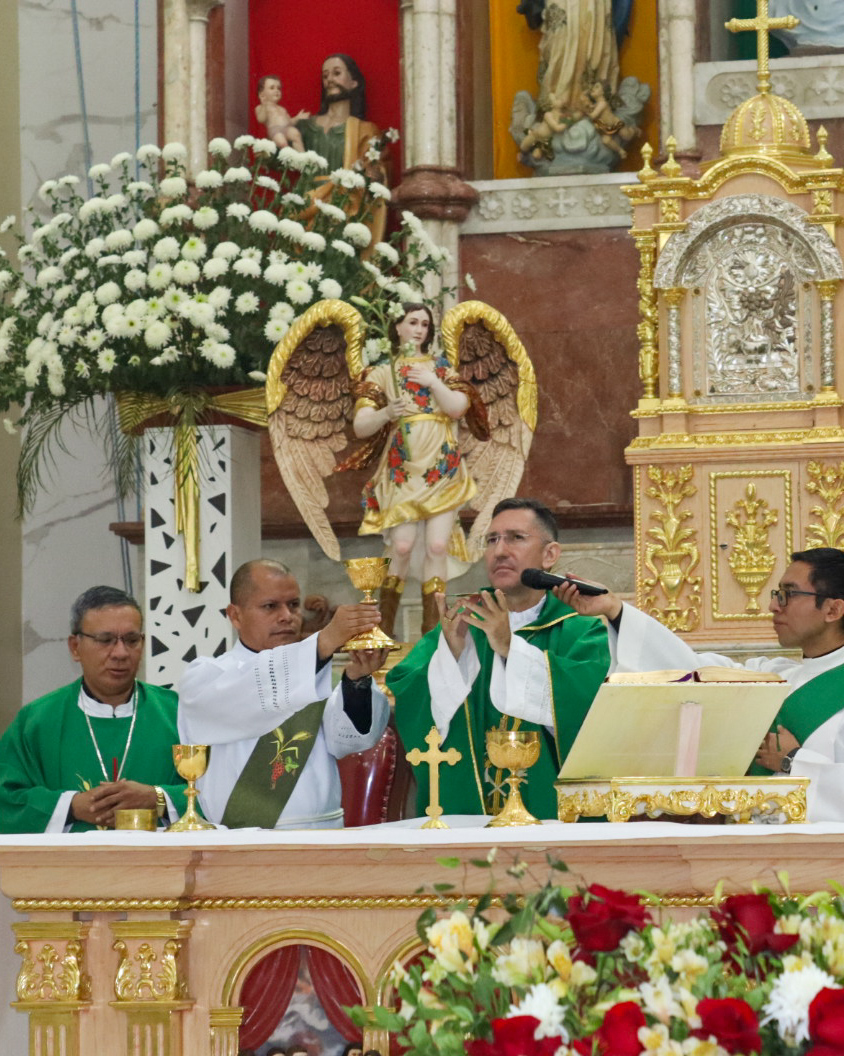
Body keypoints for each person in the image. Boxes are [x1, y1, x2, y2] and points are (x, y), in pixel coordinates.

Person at [556, 547, 844, 824]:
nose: (773, 605)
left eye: (788, 594)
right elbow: (691, 672)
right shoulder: (773, 676)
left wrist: (794, 761)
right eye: (777, 593)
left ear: (833, 609)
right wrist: (616, 610)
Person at [387, 498, 612, 819]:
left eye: (516, 538)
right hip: (469, 820)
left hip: (554, 822)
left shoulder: (580, 630)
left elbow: (595, 713)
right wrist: (451, 658)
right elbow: (408, 690)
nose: (500, 550)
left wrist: (510, 648)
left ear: (550, 554)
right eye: (492, 540)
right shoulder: (461, 624)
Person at [177, 559, 391, 829]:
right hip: (240, 841)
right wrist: (325, 641)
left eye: (293, 605)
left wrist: (357, 681)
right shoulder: (207, 677)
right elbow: (253, 692)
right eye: (270, 606)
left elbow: (349, 743)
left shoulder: (319, 677)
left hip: (322, 838)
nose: (287, 616)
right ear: (235, 615)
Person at [0, 586, 186, 832]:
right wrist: (71, 806)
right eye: (105, 640)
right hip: (68, 869)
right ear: (75, 647)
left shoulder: (178, 713)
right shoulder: (37, 721)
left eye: (132, 640)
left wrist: (156, 798)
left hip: (162, 867)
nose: (121, 653)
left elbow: (218, 792)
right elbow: (6, 802)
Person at [354, 303, 481, 635]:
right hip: (403, 466)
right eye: (412, 322)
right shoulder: (382, 371)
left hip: (441, 465)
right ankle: (384, 628)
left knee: (438, 546)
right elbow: (360, 426)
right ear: (397, 327)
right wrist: (386, 414)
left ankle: (433, 630)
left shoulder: (440, 367)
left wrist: (433, 382)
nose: (419, 329)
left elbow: (458, 408)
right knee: (402, 545)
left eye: (425, 324)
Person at [296, 54, 382, 174]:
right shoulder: (306, 127)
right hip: (306, 192)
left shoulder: (365, 131)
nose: (329, 80)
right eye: (325, 76)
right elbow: (279, 157)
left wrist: (374, 172)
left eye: (337, 73)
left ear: (353, 82)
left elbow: (377, 175)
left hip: (346, 191)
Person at [255, 75, 308, 152]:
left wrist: (297, 117)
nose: (276, 90)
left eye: (278, 88)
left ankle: (303, 157)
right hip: (275, 131)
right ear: (262, 94)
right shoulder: (261, 107)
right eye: (272, 88)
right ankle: (289, 158)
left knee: (296, 134)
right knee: (282, 142)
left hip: (286, 128)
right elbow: (261, 119)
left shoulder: (282, 109)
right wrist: (264, 105)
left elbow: (289, 121)